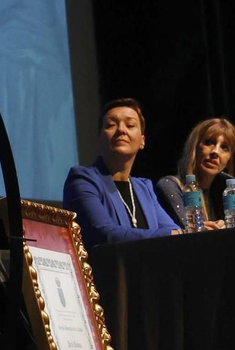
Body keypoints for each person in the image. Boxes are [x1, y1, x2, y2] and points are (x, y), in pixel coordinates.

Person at [62, 99, 180, 245]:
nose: (121, 130)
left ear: (142, 141)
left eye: (130, 125)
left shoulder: (145, 188)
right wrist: (175, 233)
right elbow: (105, 233)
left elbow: (172, 230)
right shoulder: (82, 180)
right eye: (111, 125)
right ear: (100, 137)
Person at [155, 117, 235, 229]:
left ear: (230, 160)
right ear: (195, 147)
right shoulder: (171, 185)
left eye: (224, 147)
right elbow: (189, 232)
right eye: (209, 143)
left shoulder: (224, 194)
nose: (215, 152)